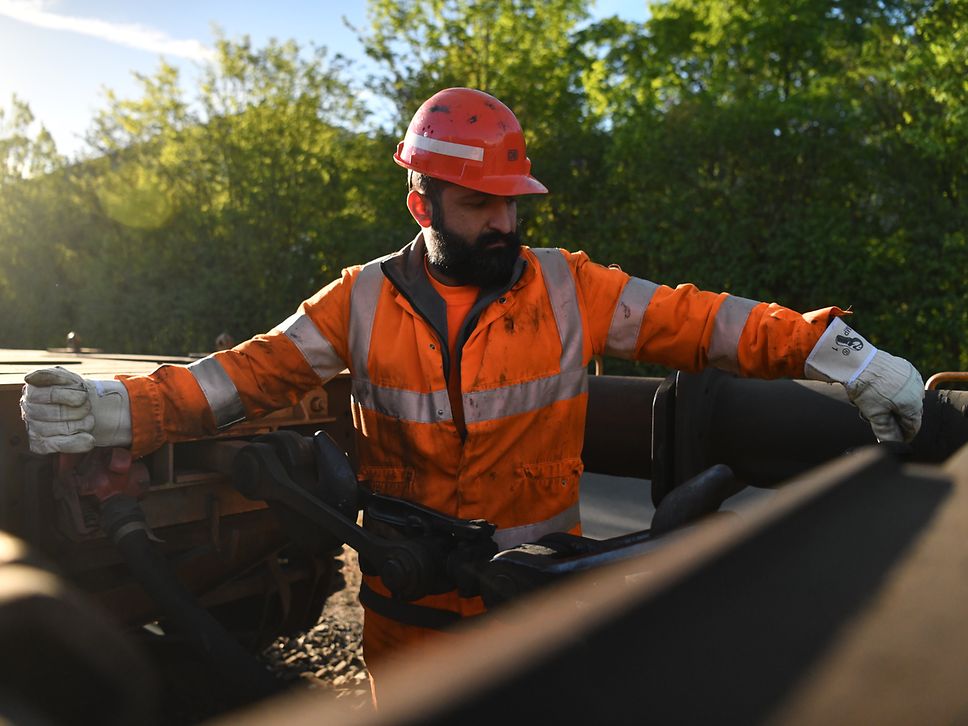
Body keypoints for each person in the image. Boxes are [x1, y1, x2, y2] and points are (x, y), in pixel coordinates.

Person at [21, 87, 924, 687]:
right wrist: (125, 409)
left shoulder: (571, 286)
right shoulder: (358, 301)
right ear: (422, 205)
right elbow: (249, 376)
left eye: (513, 203)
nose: (505, 224)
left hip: (533, 602)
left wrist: (840, 355)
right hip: (403, 614)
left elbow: (708, 322)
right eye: (478, 205)